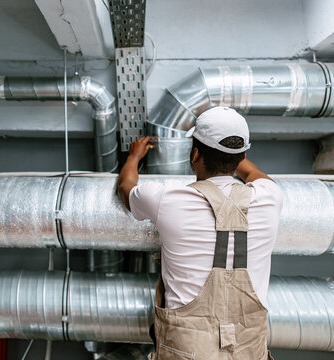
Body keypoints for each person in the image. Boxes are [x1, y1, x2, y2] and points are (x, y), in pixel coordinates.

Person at [117, 106, 283, 360]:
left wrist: (134, 157)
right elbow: (254, 174)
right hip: (248, 351)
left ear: (195, 154)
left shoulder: (168, 198)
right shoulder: (269, 197)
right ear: (242, 156)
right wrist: (233, 155)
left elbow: (125, 188)